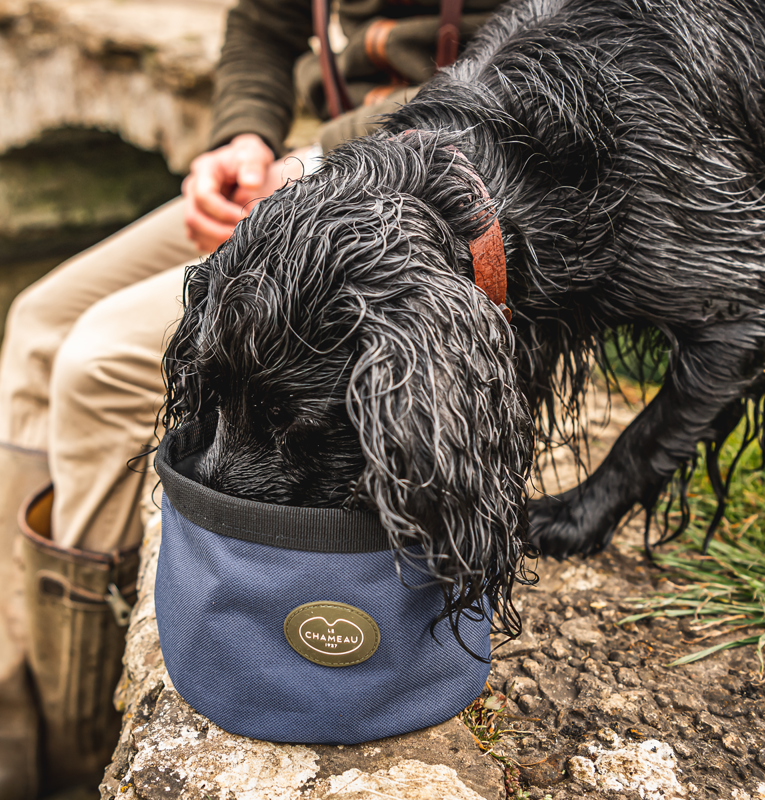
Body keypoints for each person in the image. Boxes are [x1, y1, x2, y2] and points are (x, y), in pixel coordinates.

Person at [0, 0, 503, 796]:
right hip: (307, 173)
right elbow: (265, 21)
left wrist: (327, 152)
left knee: (95, 369)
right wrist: (242, 136)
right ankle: (13, 713)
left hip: (420, 184)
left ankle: (73, 741)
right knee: (35, 323)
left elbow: (531, 50)